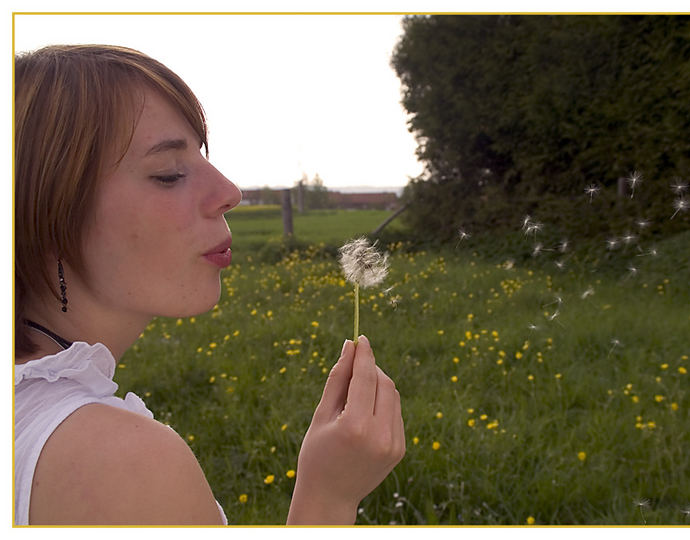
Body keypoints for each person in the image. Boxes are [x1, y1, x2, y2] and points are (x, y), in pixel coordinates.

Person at [14, 44, 405, 526]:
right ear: (47, 210)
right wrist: (330, 495)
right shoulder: (120, 462)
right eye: (169, 173)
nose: (230, 193)